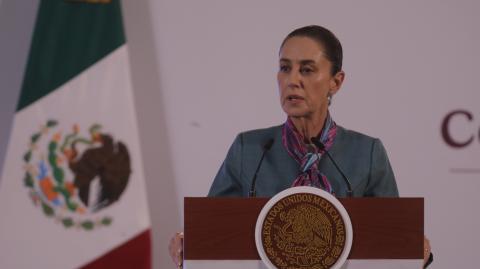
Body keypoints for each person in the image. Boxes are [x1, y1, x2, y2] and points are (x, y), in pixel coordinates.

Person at [169, 25, 432, 268]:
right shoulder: (248, 150)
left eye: (306, 69)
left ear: (336, 82)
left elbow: (392, 243)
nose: (292, 80)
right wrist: (186, 242)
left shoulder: (367, 153)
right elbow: (211, 234)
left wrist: (417, 251)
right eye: (285, 68)